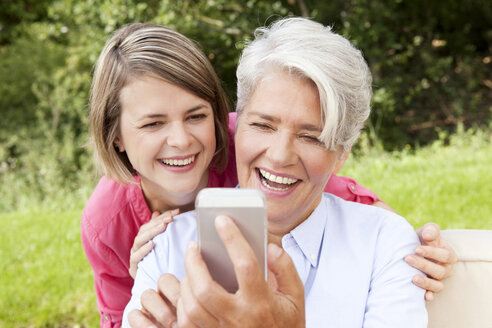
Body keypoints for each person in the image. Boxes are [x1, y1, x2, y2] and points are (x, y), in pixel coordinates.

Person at [82, 23, 456, 327]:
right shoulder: (148, 243)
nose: (278, 155)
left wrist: (408, 238)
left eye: (311, 136)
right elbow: (118, 316)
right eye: (262, 125)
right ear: (241, 124)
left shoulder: (382, 244)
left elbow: (337, 192)